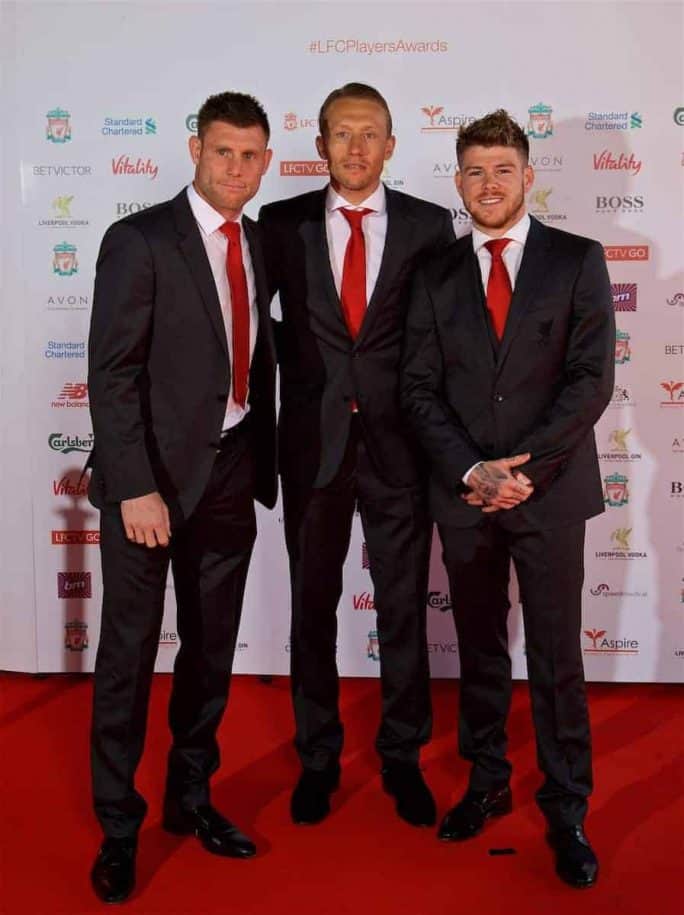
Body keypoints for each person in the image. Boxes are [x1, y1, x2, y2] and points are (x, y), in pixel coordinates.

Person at [400, 110, 614, 888]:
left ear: (528, 176)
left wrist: (527, 468)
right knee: (482, 650)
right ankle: (486, 780)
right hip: (467, 497)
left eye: (502, 169)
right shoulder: (435, 273)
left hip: (549, 494)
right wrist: (473, 473)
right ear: (458, 183)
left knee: (559, 658)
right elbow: (418, 390)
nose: (488, 184)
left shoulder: (578, 260)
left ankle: (568, 807)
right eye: (474, 171)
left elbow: (590, 381)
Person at [87, 91, 276, 904]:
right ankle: (119, 828)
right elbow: (113, 371)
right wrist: (134, 484)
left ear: (267, 161)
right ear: (196, 148)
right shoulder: (139, 239)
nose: (236, 168)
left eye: (251, 156)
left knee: (209, 653)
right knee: (129, 658)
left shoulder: (260, 242)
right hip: (150, 485)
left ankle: (190, 798)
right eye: (223, 151)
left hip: (232, 473)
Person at [259, 83, 455, 827]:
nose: (356, 147)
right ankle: (317, 758)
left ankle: (402, 756)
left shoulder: (430, 226)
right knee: (312, 610)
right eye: (342, 133)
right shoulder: (280, 224)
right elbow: (246, 327)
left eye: (370, 133)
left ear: (393, 145)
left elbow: (442, 342)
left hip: (399, 448)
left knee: (403, 608)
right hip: (311, 446)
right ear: (320, 146)